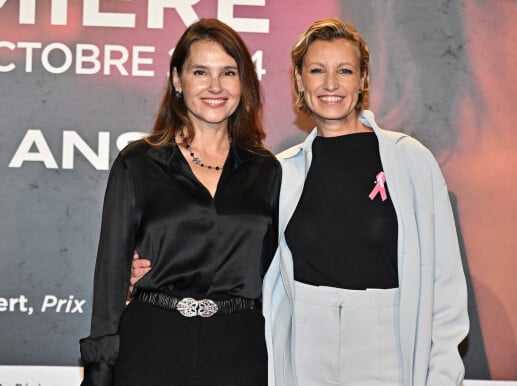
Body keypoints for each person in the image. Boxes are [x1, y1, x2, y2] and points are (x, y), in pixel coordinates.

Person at [131, 17, 469, 386]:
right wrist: (159, 269)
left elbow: (445, 285)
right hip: (305, 345)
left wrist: (443, 376)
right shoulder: (280, 171)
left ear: (362, 80)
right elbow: (239, 251)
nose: (330, 84)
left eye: (344, 70)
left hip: (387, 344)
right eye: (316, 70)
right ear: (298, 81)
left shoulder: (410, 161)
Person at [79, 18, 281, 386]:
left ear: (243, 83)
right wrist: (100, 368)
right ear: (177, 80)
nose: (215, 86)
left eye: (228, 73)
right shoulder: (138, 162)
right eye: (200, 72)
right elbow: (111, 274)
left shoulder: (268, 170)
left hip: (240, 350)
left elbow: (281, 269)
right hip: (152, 345)